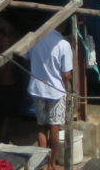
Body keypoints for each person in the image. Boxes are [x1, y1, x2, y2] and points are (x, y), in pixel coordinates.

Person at [27, 25, 73, 168]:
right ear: (62, 29)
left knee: (41, 126)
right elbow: (66, 74)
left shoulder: (35, 39)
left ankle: (43, 162)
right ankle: (52, 163)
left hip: (37, 89)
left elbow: (25, 56)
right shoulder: (63, 44)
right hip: (55, 91)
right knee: (54, 126)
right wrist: (67, 82)